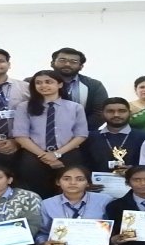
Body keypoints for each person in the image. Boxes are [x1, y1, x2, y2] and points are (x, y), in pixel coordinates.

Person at [13, 70, 88, 199]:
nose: (43, 85)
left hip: (67, 154)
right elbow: (20, 135)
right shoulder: (24, 107)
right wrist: (45, 156)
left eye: (48, 82)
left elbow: (81, 135)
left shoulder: (75, 107)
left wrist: (56, 154)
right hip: (34, 156)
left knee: (69, 192)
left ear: (60, 84)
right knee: (36, 193)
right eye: (38, 83)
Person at [82, 97, 145, 174]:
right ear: (102, 114)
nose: (116, 115)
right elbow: (83, 165)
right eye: (110, 111)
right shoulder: (88, 138)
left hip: (136, 181)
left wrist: (134, 170)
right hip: (96, 181)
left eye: (122, 111)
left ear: (130, 113)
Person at [50, 47, 109, 131]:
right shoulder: (34, 83)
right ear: (52, 63)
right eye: (62, 60)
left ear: (81, 66)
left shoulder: (94, 85)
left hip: (83, 134)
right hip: (43, 133)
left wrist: (79, 130)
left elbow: (101, 112)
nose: (67, 64)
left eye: (73, 62)